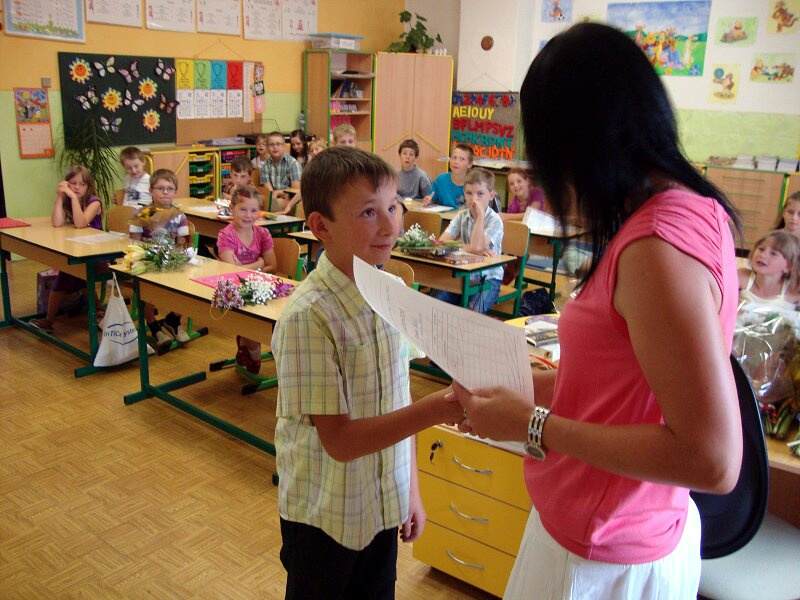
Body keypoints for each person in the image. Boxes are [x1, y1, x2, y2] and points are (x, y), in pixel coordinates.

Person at [452, 23, 743, 600]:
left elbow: (711, 460)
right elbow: (625, 386)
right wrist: (520, 387)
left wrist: (532, 425)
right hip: (613, 528)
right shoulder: (688, 209)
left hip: (604, 553)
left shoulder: (656, 248)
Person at [272, 146, 463, 600]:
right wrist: (439, 408)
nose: (391, 226)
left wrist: (410, 488)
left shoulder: (392, 290)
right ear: (321, 226)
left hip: (382, 503)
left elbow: (398, 394)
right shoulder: (308, 317)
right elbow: (339, 441)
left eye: (393, 207)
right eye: (368, 212)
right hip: (324, 517)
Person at [31, 166, 103, 333]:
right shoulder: (68, 200)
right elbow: (57, 223)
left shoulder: (94, 202)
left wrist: (73, 198)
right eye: (73, 183)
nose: (77, 187)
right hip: (77, 250)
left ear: (88, 186)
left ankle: (49, 321)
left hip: (96, 254)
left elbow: (80, 223)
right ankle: (99, 310)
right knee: (77, 276)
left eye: (82, 184)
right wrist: (60, 197)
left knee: (66, 277)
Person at [216, 185, 277, 374]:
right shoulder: (226, 235)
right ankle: (250, 346)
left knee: (254, 315)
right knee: (247, 316)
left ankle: (247, 344)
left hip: (261, 288)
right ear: (232, 208)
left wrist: (246, 268)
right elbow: (231, 270)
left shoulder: (263, 234)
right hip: (234, 289)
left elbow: (272, 265)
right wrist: (258, 264)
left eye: (254, 210)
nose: (248, 215)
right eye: (243, 209)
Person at [129, 169, 191, 345]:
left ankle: (173, 320)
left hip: (171, 260)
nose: (165, 192)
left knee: (189, 285)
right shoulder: (145, 213)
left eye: (170, 189)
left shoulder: (179, 215)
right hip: (148, 260)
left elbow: (182, 243)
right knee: (148, 289)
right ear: (151, 190)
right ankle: (153, 325)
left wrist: (175, 257)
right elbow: (134, 242)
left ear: (175, 192)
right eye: (160, 188)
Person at [435, 168, 504, 313]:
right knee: (436, 304)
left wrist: (480, 218)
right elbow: (442, 242)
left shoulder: (495, 221)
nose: (474, 199)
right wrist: (467, 248)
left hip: (488, 279)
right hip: (463, 275)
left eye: (480, 194)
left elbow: (477, 246)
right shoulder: (462, 215)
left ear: (491, 195)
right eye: (469, 193)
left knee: (472, 313)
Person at [259, 131, 302, 215]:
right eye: (271, 144)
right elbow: (269, 191)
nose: (275, 147)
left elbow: (296, 191)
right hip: (274, 199)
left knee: (273, 204)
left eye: (278, 144)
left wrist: (279, 192)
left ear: (284, 146)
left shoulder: (293, 164)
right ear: (267, 147)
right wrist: (275, 195)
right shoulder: (265, 165)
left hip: (291, 201)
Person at [421, 143, 473, 208]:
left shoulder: (474, 184)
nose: (456, 162)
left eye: (462, 159)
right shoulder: (441, 180)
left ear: (470, 164)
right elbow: (432, 199)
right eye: (454, 157)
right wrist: (428, 201)